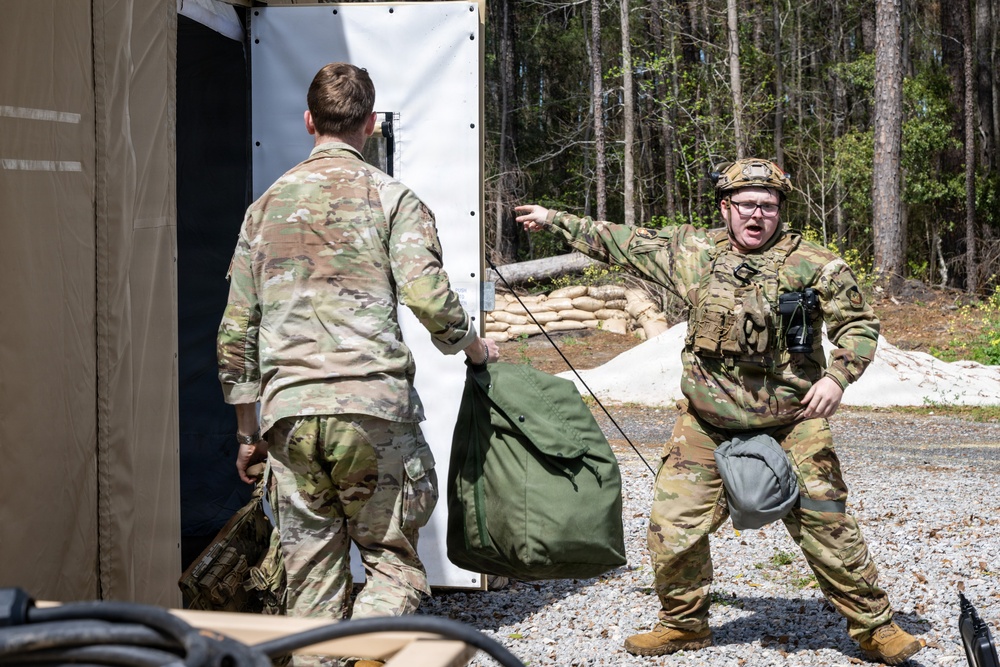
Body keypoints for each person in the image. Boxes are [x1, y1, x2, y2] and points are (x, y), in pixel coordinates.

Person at [515, 158, 923, 665]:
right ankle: (683, 624)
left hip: (792, 421)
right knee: (671, 524)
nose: (757, 216)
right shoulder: (693, 252)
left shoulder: (816, 264)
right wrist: (554, 220)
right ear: (726, 207)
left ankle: (875, 628)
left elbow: (859, 326)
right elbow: (619, 239)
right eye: (747, 204)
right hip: (706, 422)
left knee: (827, 522)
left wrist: (837, 378)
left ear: (781, 211)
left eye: (768, 206)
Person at [217, 62, 499, 641]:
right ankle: (368, 654)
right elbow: (427, 294)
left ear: (307, 122)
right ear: (371, 124)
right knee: (393, 565)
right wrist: (473, 347)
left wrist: (248, 434)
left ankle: (322, 657)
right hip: (373, 414)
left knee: (310, 584)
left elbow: (235, 331)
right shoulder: (392, 198)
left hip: (290, 419)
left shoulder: (262, 210)